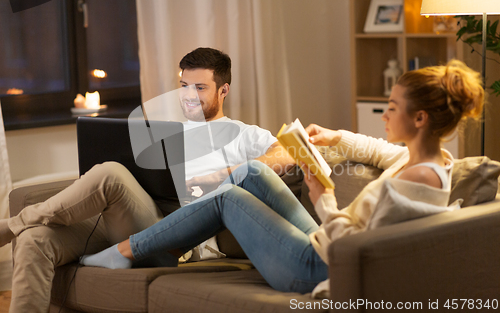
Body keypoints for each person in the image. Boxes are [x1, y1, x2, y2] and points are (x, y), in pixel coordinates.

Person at [81, 60, 484, 298]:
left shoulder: (417, 181)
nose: (384, 115)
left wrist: (322, 196)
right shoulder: (429, 159)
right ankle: (166, 248)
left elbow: (361, 250)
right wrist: (331, 137)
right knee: (253, 170)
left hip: (322, 268)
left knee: (228, 199)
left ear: (419, 118)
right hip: (327, 251)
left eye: (392, 108)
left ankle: (127, 251)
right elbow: (374, 149)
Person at [0, 47, 294, 312]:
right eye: (183, 86)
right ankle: (20, 228)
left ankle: (10, 226)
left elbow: (288, 154)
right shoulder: (163, 132)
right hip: (126, 218)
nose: (189, 95)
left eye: (200, 87)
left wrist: (221, 174)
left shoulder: (242, 134)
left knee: (111, 173)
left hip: (176, 234)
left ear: (223, 90)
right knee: (34, 240)